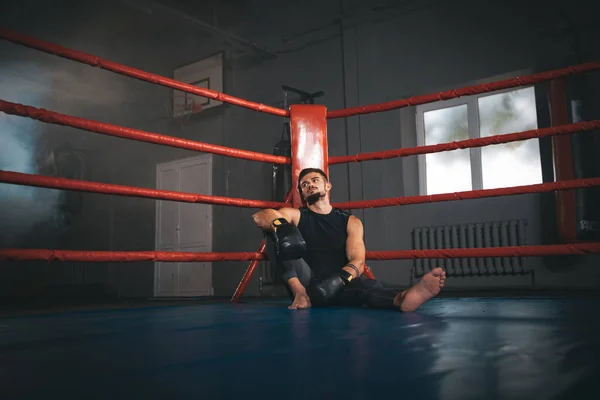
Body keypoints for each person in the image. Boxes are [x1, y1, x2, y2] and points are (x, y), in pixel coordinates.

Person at [252, 167, 446, 311]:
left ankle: (403, 298)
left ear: (327, 186)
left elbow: (358, 261)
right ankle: (301, 295)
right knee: (274, 231)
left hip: (340, 283)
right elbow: (262, 216)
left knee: (367, 288)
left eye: (315, 180)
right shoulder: (295, 215)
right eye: (304, 184)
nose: (310, 184)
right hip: (306, 282)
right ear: (302, 193)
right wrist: (281, 226)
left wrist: (338, 280)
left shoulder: (350, 221)